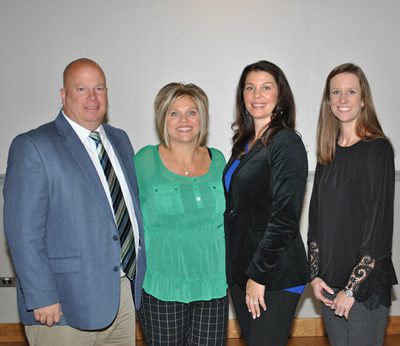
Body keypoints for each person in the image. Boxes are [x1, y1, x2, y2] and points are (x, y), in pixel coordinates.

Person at [3, 58, 146, 346]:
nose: (92, 98)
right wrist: (42, 296)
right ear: (63, 95)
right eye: (82, 89)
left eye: (99, 88)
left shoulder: (120, 140)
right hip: (62, 307)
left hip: (122, 297)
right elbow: (22, 233)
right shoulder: (33, 146)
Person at [307, 63, 397, 346]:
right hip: (329, 284)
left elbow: (379, 229)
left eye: (350, 92)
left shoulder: (378, 149)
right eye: (336, 92)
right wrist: (315, 276)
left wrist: (352, 288)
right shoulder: (327, 151)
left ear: (363, 99)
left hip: (363, 285)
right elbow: (315, 221)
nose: (343, 99)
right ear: (328, 101)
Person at [134, 82, 228, 345]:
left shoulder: (219, 160)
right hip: (162, 284)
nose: (183, 120)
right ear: (162, 118)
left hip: (212, 284)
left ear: (202, 118)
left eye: (192, 112)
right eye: (174, 113)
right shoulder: (144, 161)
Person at [223, 60, 309, 345]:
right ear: (242, 96)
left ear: (280, 95)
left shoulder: (287, 143)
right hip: (243, 273)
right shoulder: (243, 144)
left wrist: (258, 275)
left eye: (266, 87)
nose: (257, 95)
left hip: (274, 274)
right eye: (250, 88)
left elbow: (285, 217)